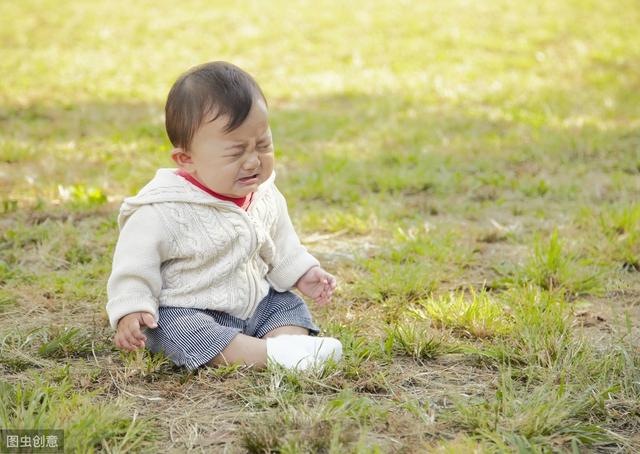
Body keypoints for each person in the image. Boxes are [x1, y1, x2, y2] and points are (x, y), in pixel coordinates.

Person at [106, 61, 342, 371]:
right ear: (186, 159)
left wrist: (302, 272)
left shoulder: (264, 194)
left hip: (254, 303)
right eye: (235, 153)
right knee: (175, 332)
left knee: (285, 304)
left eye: (263, 144)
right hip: (190, 309)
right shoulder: (162, 209)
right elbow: (133, 265)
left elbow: (282, 242)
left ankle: (284, 347)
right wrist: (131, 309)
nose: (253, 161)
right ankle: (274, 355)